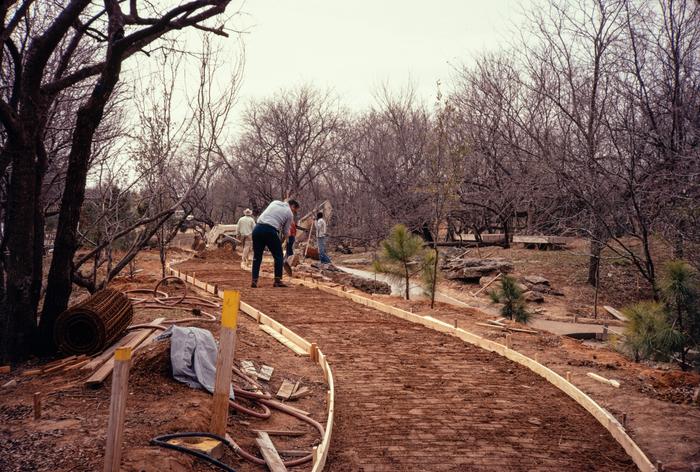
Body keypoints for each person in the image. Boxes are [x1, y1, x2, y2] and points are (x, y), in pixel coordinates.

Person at [251, 199, 300, 288]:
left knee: (257, 256)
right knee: (278, 255)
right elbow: (285, 231)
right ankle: (277, 281)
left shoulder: (274, 202)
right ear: (292, 206)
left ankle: (254, 280)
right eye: (294, 210)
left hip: (257, 229)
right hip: (270, 230)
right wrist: (288, 239)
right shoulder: (289, 213)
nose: (293, 212)